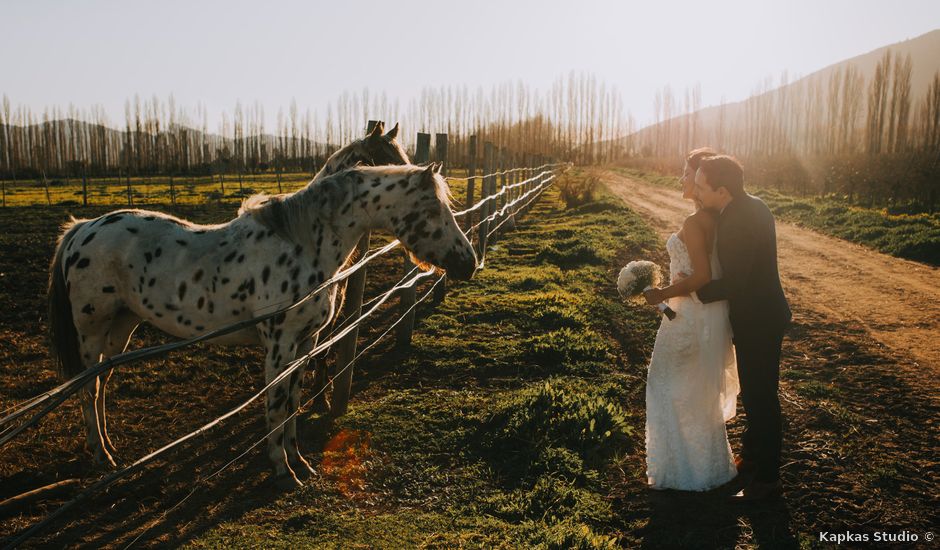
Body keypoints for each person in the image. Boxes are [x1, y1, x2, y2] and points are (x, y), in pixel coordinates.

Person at [640, 148, 740, 492]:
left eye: (687, 174)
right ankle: (706, 467)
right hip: (697, 311)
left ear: (700, 181)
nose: (681, 179)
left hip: (687, 314)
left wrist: (661, 294)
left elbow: (700, 277)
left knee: (666, 385)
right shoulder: (712, 219)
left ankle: (684, 472)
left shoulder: (695, 223)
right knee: (695, 390)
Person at [693, 154, 792, 501]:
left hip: (760, 318)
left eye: (702, 187)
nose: (697, 192)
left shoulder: (738, 221)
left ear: (722, 190)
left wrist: (694, 288)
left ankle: (767, 480)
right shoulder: (751, 206)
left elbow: (735, 282)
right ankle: (752, 456)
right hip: (760, 314)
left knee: (762, 397)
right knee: (755, 392)